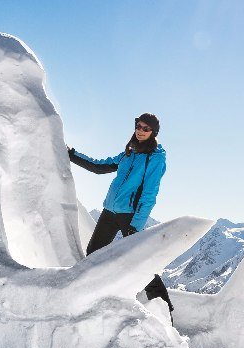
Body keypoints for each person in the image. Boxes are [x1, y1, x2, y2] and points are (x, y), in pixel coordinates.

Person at [68, 113, 172, 316]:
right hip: (110, 211)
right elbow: (99, 166)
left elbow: (150, 193)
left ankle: (165, 308)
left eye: (146, 128)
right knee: (94, 254)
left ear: (153, 132)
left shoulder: (155, 158)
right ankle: (98, 298)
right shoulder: (129, 152)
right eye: (138, 126)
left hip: (130, 216)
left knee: (142, 261)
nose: (140, 131)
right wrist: (72, 154)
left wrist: (137, 223)